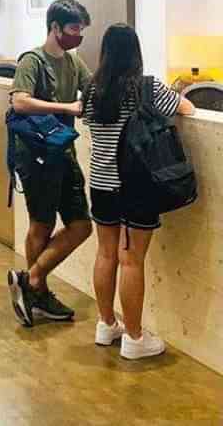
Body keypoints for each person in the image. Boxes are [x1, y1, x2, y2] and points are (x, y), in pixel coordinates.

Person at [84, 23, 194, 360]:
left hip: (101, 182)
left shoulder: (91, 90)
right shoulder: (145, 89)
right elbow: (186, 109)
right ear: (136, 53)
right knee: (131, 259)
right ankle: (134, 338)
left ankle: (106, 325)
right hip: (136, 185)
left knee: (105, 254)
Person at [7, 0, 94, 326]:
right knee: (41, 224)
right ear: (55, 27)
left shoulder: (73, 62)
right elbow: (20, 102)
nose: (78, 35)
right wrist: (67, 108)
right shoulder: (33, 60)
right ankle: (38, 291)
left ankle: (30, 280)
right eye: (74, 28)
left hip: (64, 153)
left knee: (81, 225)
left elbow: (93, 88)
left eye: (81, 29)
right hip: (36, 155)